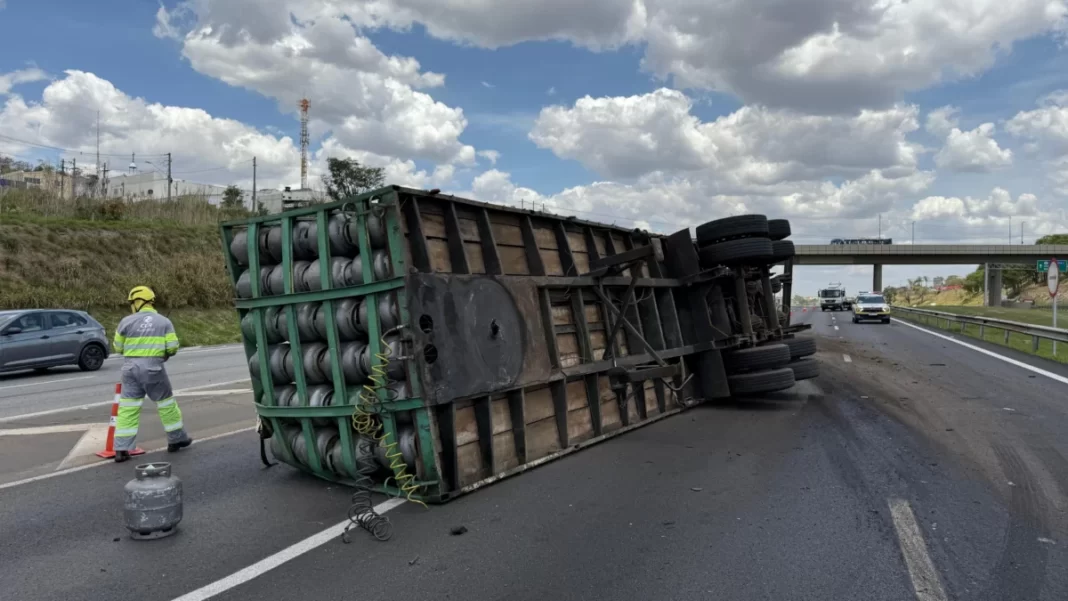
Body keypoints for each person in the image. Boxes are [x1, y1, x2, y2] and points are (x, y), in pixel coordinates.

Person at [111, 285, 193, 462]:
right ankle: (176, 440)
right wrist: (163, 353)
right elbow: (172, 347)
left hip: (130, 369)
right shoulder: (164, 322)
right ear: (150, 301)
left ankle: (121, 449)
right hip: (153, 368)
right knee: (166, 404)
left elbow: (118, 348)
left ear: (136, 302)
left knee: (128, 409)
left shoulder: (125, 322)